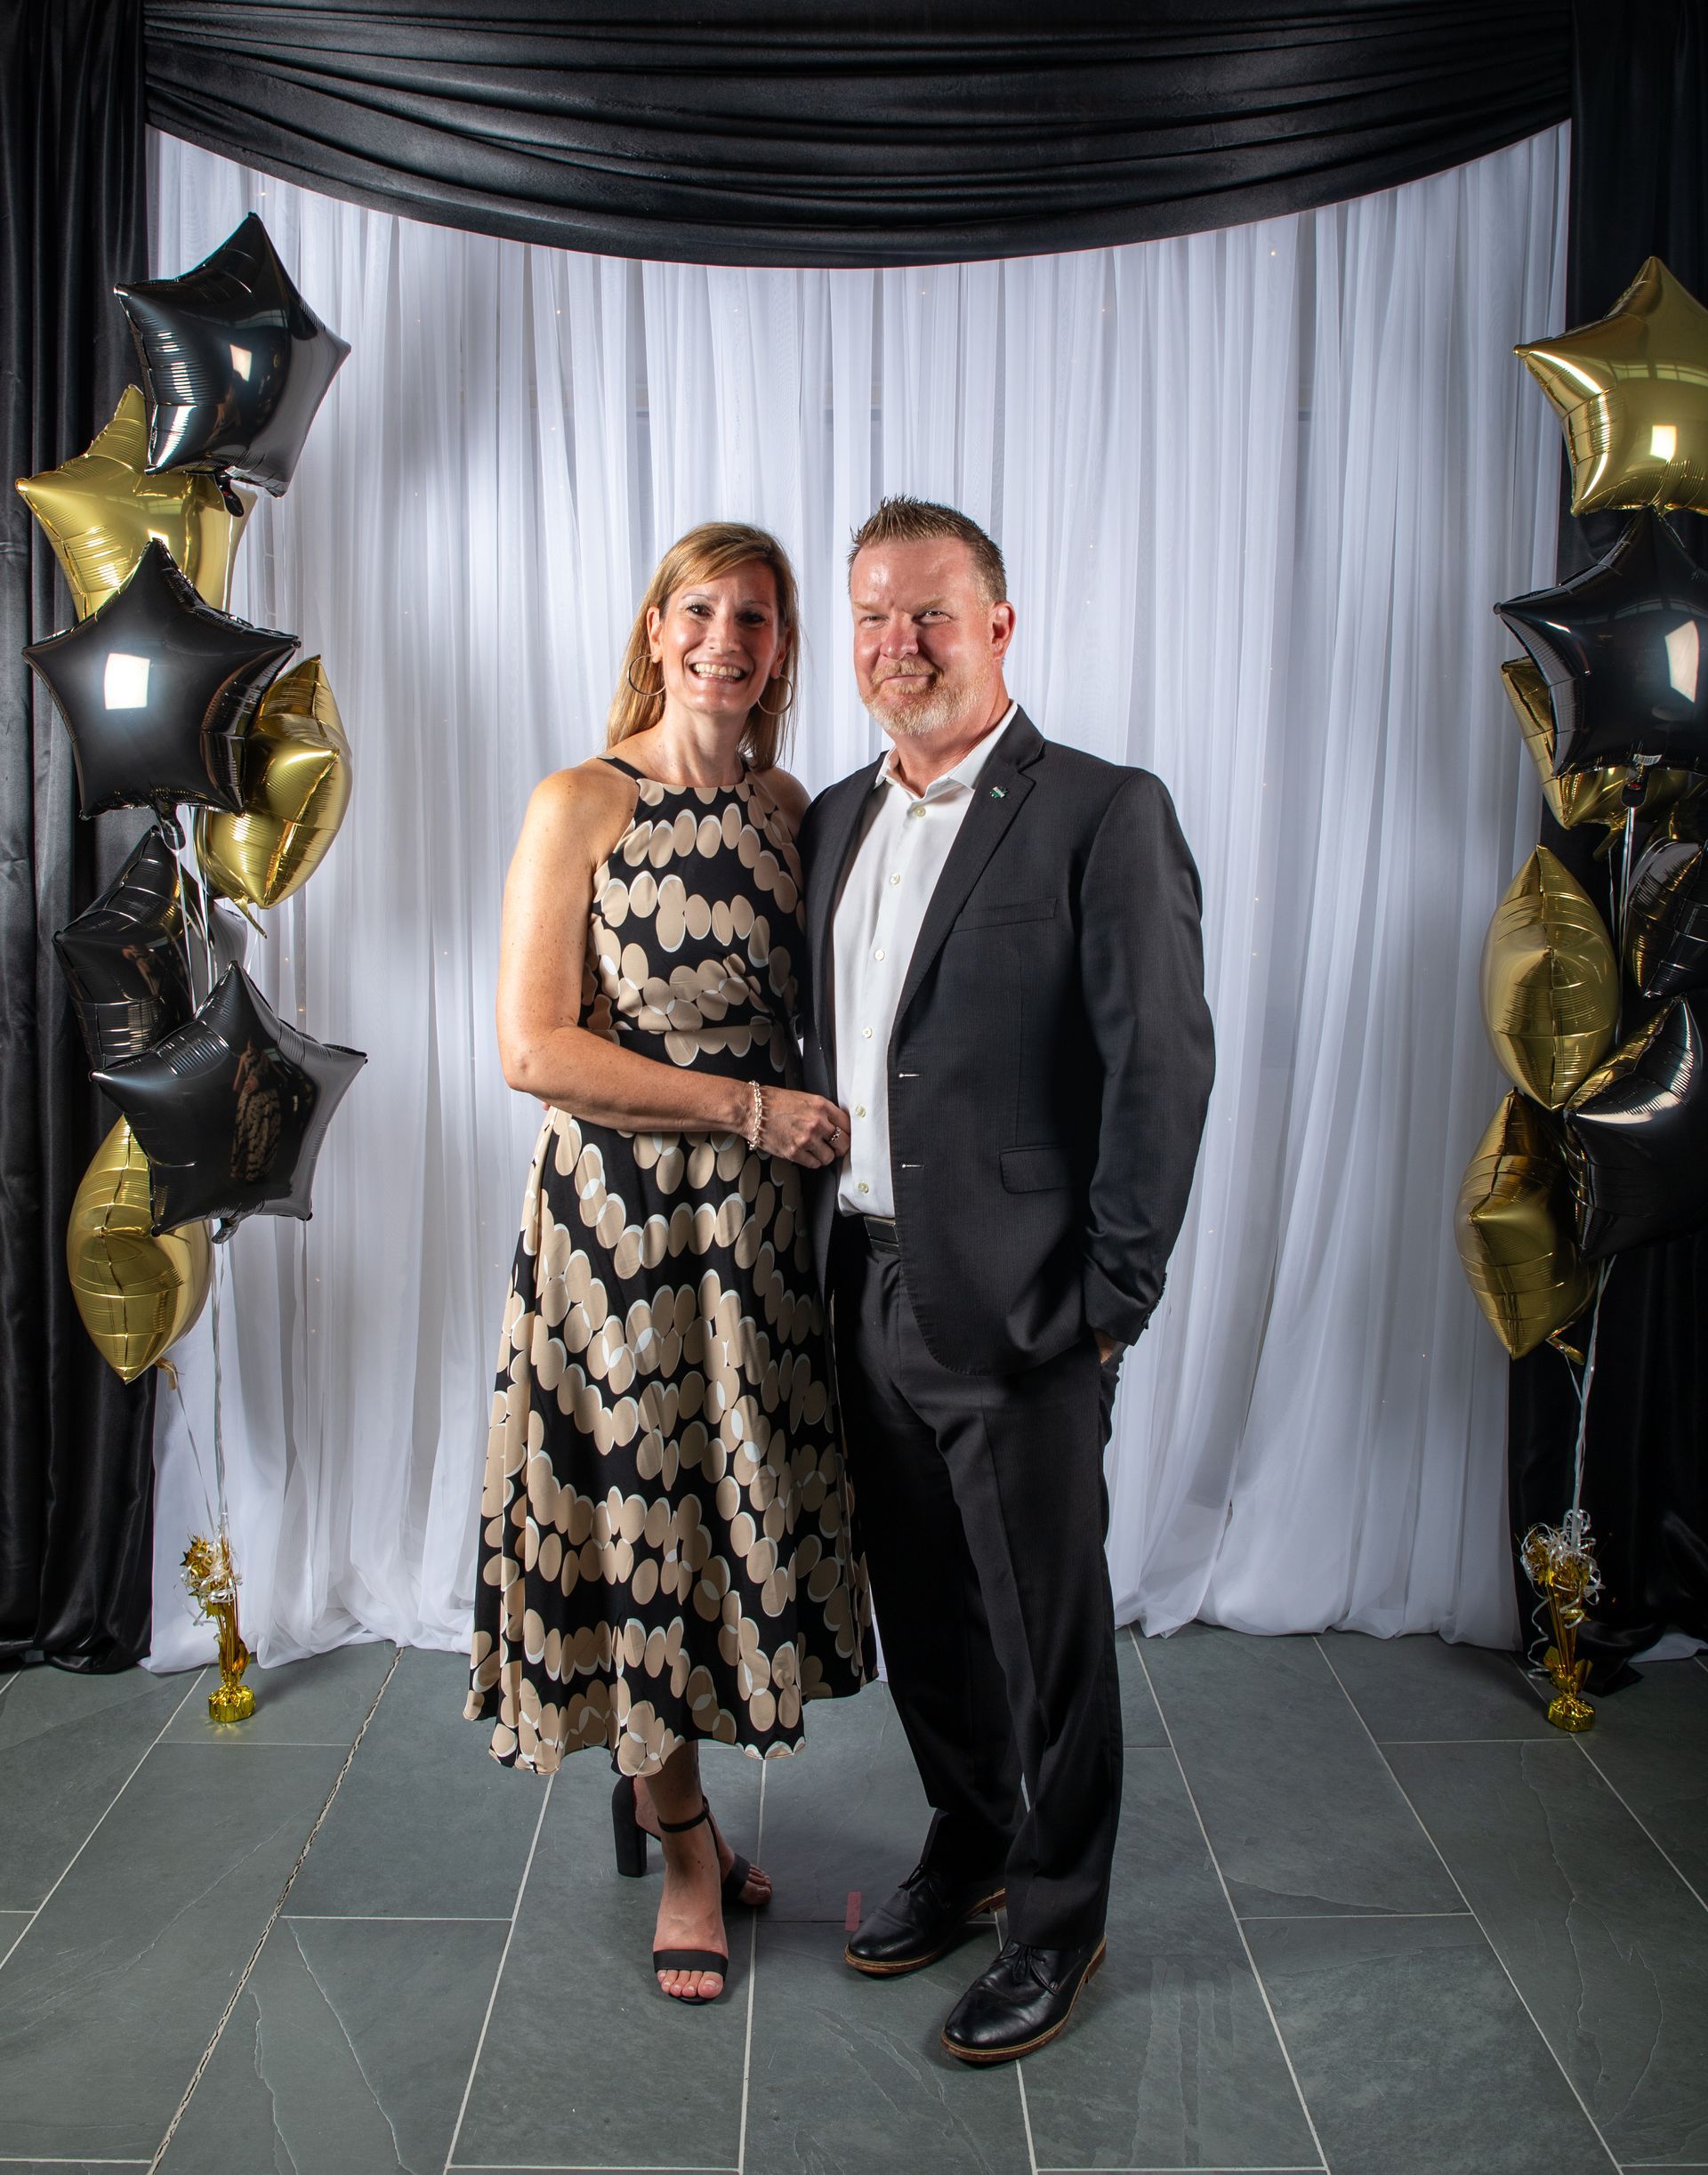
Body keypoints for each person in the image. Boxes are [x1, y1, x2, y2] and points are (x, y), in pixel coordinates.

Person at [795, 496, 1214, 2064]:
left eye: (930, 613)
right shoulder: (836, 814)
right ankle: (968, 1845)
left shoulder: (1104, 810)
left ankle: (1061, 1913)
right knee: (926, 1606)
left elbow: (1161, 1065)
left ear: (999, 628)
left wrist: (1112, 1301)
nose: (899, 643)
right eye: (875, 618)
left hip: (1031, 1307)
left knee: (1044, 1626)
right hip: (868, 1288)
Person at [466, 521, 873, 2005]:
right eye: (699, 610)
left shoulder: (789, 805)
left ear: (780, 648)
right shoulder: (580, 799)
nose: (725, 640)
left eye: (755, 619)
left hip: (757, 1237)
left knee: (717, 1508)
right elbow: (534, 1046)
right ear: (655, 629)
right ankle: (682, 1834)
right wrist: (748, 1108)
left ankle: (674, 1789)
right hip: (621, 1231)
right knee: (637, 1514)